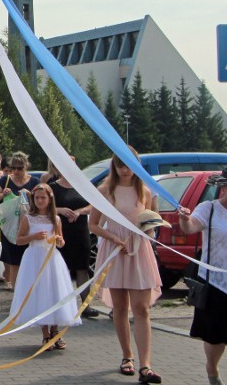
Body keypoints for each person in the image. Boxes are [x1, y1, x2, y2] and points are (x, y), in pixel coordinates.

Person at [89, 149, 163, 384]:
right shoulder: (105, 190)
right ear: (114, 165)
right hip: (115, 251)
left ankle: (146, 365)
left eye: (128, 164)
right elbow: (94, 224)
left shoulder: (146, 191)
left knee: (142, 308)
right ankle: (127, 356)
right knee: (120, 308)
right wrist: (113, 238)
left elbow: (152, 223)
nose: (124, 169)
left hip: (138, 250)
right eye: (120, 164)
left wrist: (148, 231)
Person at [177, 163, 227, 385]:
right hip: (217, 284)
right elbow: (190, 227)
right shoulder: (210, 208)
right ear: (222, 187)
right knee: (217, 340)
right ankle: (212, 368)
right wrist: (185, 218)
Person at [11, 183, 79, 351]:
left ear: (50, 199)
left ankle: (56, 331)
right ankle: (45, 333)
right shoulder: (29, 218)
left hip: (51, 259)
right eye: (37, 198)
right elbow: (19, 239)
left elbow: (61, 242)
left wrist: (59, 240)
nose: (40, 200)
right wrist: (33, 236)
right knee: (39, 292)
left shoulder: (55, 218)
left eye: (43, 197)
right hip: (34, 258)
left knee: (54, 292)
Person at [49, 159, 99, 318]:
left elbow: (93, 205)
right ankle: (61, 305)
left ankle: (86, 306)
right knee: (60, 269)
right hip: (60, 232)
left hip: (80, 231)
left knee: (82, 269)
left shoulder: (83, 184)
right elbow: (44, 208)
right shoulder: (53, 187)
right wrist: (60, 210)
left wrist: (79, 211)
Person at [0, 151, 37, 290]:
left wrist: (30, 195)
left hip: (29, 228)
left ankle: (28, 292)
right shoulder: (5, 180)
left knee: (29, 261)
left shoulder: (34, 181)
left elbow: (43, 202)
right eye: (14, 168)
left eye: (20, 168)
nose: (16, 171)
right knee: (13, 263)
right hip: (10, 227)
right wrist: (2, 194)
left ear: (26, 166)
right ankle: (16, 295)